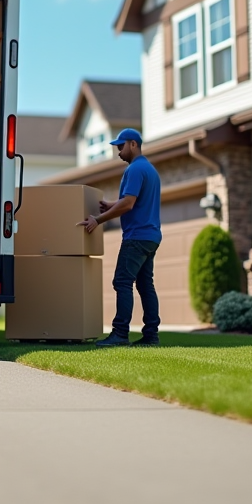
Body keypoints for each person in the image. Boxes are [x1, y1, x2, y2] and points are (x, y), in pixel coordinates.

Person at [78, 128, 161, 347]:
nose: (118, 152)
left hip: (136, 237)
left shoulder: (134, 170)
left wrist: (98, 219)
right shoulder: (149, 169)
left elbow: (129, 203)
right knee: (145, 286)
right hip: (151, 236)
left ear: (133, 144)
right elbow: (131, 199)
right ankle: (151, 336)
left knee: (122, 282)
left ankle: (120, 334)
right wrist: (111, 204)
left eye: (120, 146)